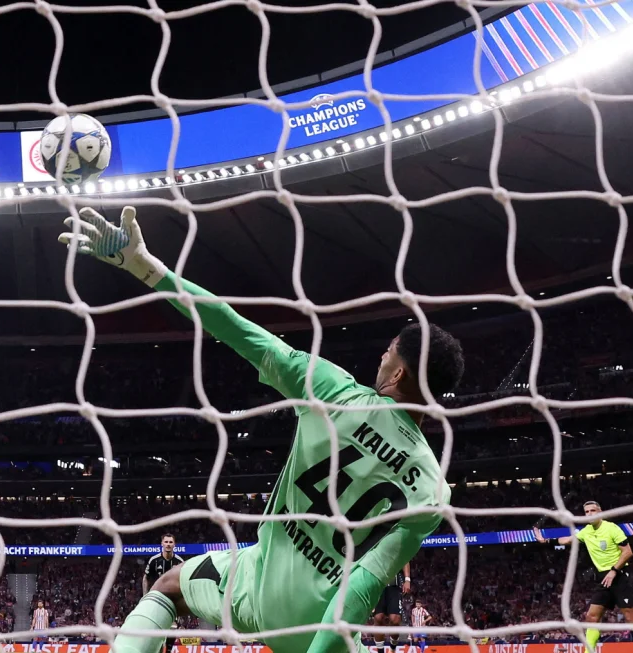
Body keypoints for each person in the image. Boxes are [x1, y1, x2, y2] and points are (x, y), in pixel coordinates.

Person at [59, 207, 465, 653]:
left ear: (401, 373)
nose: (381, 359)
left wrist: (145, 266)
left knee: (169, 585)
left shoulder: (334, 392)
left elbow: (237, 328)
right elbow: (362, 588)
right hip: (319, 624)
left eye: (388, 352)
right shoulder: (432, 488)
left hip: (257, 588)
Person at [533, 501, 633, 653]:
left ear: (600, 512)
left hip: (619, 576)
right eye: (587, 511)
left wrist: (613, 571)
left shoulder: (612, 529)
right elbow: (568, 540)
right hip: (603, 579)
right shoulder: (587, 531)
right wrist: (545, 540)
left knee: (631, 617)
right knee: (591, 617)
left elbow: (628, 552)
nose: (590, 514)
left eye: (593, 510)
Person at [372, 564, 412, 651]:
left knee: (395, 619)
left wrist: (407, 580)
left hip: (393, 586)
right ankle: (380, 651)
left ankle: (392, 649)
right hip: (377, 585)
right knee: (378, 618)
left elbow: (405, 558)